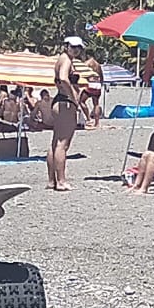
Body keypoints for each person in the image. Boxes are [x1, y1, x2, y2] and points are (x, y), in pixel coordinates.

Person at [47, 35, 84, 191]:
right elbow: (63, 78)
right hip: (65, 102)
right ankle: (61, 181)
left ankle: (52, 180)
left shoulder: (62, 59)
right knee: (63, 144)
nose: (76, 50)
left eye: (78, 47)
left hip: (59, 101)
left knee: (55, 142)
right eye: (73, 47)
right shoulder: (66, 60)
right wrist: (73, 96)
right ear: (66, 46)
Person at [73, 43, 104, 130]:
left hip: (89, 84)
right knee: (96, 104)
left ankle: (88, 119)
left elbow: (83, 74)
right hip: (97, 84)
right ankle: (97, 123)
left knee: (81, 101)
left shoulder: (87, 63)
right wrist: (100, 84)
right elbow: (101, 76)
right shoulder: (97, 64)